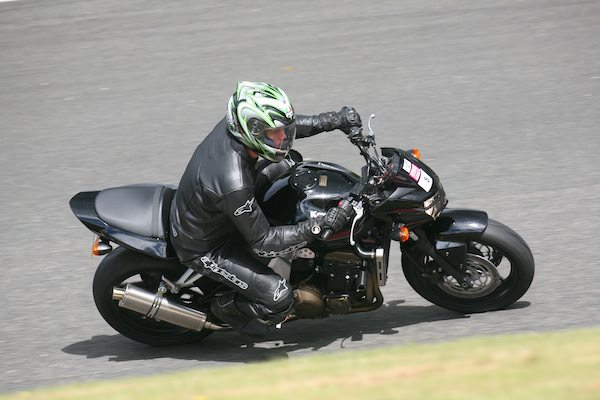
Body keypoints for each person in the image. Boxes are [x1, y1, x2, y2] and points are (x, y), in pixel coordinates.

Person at [169, 81, 362, 336]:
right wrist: (318, 225)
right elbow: (264, 242)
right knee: (279, 298)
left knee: (290, 160)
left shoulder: (237, 124)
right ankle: (223, 309)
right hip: (206, 245)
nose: (283, 138)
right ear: (253, 130)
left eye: (282, 131)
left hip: (217, 209)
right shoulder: (234, 182)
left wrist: (334, 120)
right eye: (274, 134)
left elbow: (288, 128)